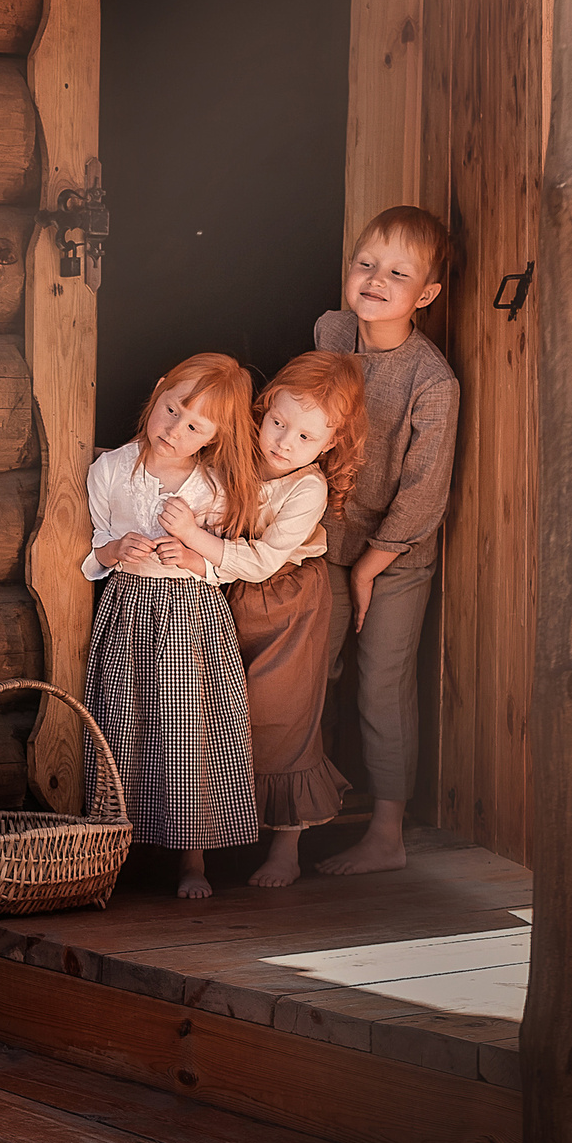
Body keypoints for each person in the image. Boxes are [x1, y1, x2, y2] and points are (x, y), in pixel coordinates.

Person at [154, 352, 367, 887]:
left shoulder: (308, 488)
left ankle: (286, 846)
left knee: (282, 714)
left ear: (330, 443)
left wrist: (198, 547)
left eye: (305, 438)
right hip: (216, 595)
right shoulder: (235, 453)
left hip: (287, 601)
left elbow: (266, 559)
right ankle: (196, 847)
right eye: (278, 423)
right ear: (265, 406)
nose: (283, 443)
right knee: (205, 714)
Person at [311, 205, 460, 876]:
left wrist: (371, 566)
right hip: (325, 539)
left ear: (424, 294)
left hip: (395, 555)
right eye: (366, 263)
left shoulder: (433, 382)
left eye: (397, 273)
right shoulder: (332, 331)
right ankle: (295, 814)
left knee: (381, 686)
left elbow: (425, 492)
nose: (375, 278)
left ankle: (387, 833)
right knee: (314, 670)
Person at [82, 353, 264, 899]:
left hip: (190, 619)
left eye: (193, 426)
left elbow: (222, 562)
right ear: (158, 391)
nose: (174, 428)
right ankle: (110, 851)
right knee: (120, 724)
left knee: (186, 731)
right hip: (126, 611)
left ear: (213, 436)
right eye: (171, 409)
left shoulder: (213, 487)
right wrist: (115, 549)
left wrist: (190, 554)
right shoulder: (111, 468)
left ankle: (192, 858)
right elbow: (94, 546)